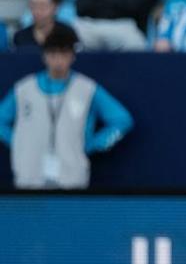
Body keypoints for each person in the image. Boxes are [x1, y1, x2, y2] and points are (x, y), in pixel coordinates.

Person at [0, 24, 132, 190]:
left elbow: (122, 120)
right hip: (29, 176)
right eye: (53, 54)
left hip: (71, 176)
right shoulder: (24, 88)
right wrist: (19, 143)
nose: (58, 61)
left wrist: (94, 144)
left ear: (72, 56)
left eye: (64, 54)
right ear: (44, 56)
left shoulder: (87, 88)